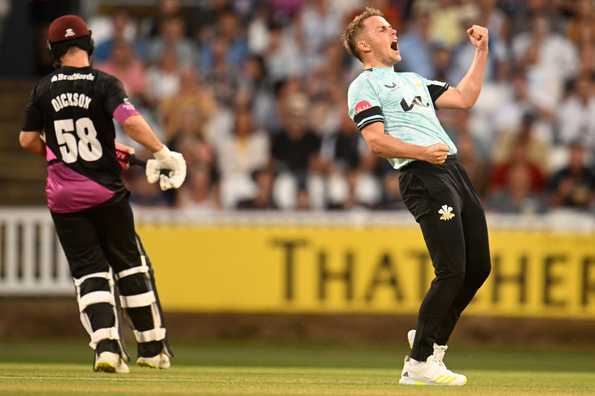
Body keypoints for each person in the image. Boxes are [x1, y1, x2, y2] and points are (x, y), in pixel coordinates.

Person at [18, 15, 186, 373]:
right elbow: (130, 121)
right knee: (130, 266)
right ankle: (152, 348)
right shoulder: (104, 83)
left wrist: (63, 152)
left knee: (88, 272)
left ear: (53, 50)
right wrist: (161, 152)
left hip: (62, 196)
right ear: (89, 44)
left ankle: (106, 348)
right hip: (105, 193)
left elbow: (28, 140)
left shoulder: (43, 89)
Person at [343, 8, 491, 386]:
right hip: (422, 174)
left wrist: (481, 52)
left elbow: (464, 98)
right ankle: (420, 360)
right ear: (364, 45)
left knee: (478, 268)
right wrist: (423, 151)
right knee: (452, 269)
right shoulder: (364, 85)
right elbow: (375, 141)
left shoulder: (413, 80)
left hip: (452, 170)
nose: (393, 30)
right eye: (381, 28)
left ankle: (430, 337)